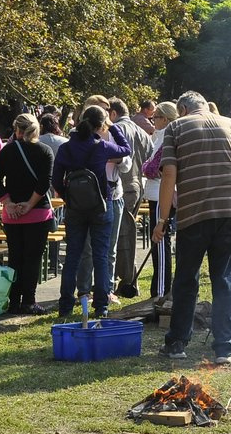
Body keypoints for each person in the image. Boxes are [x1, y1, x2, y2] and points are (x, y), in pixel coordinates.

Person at [152, 91, 231, 365]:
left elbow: (169, 174)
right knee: (224, 279)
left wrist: (162, 219)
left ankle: (176, 344)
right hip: (230, 211)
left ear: (182, 109)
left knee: (186, 279)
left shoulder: (176, 127)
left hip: (193, 212)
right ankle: (226, 348)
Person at [51, 105, 128, 320]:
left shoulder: (67, 148)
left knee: (73, 256)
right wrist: (113, 129)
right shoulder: (102, 147)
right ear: (101, 124)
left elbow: (56, 180)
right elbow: (125, 149)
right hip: (101, 206)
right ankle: (101, 305)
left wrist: (69, 198)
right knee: (101, 256)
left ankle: (65, 305)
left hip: (75, 208)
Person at [0, 113, 55, 315]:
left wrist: (8, 202)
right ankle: (29, 300)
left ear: (16, 130)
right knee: (32, 258)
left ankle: (13, 301)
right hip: (37, 211)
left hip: (12, 214)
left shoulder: (7, 151)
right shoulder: (45, 151)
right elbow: (44, 182)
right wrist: (30, 204)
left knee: (15, 257)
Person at [110, 97, 155, 299]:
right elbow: (151, 157)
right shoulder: (140, 131)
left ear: (113, 113)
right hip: (136, 186)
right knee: (126, 235)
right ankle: (129, 281)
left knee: (121, 237)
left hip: (122, 187)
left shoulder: (116, 129)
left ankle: (125, 282)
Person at [143, 101, 179, 298]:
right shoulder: (158, 136)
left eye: (155, 117)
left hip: (161, 194)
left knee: (160, 241)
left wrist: (148, 166)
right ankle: (159, 289)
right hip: (155, 193)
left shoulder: (167, 137)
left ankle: (161, 291)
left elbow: (153, 168)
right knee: (157, 242)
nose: (152, 120)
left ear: (165, 119)